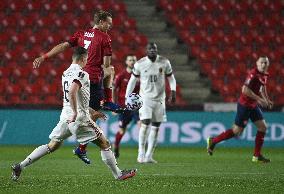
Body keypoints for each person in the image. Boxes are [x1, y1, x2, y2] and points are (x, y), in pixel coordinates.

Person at [11, 47, 137, 181]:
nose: (87, 61)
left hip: (65, 116)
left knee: (52, 145)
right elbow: (72, 91)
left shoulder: (65, 73)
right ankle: (118, 174)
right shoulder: (82, 74)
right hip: (79, 118)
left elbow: (76, 97)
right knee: (104, 143)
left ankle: (20, 165)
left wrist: (91, 111)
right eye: (87, 59)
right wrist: (77, 113)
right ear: (83, 58)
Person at [33, 10, 122, 164]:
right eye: (108, 23)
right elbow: (106, 64)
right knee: (111, 70)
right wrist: (103, 74)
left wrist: (44, 56)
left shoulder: (81, 34)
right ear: (100, 22)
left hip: (78, 77)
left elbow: (63, 46)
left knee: (57, 141)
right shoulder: (105, 37)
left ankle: (81, 148)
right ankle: (108, 100)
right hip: (92, 81)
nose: (110, 26)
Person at [207, 56, 273, 163]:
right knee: (236, 131)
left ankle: (256, 156)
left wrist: (267, 100)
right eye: (262, 62)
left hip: (253, 105)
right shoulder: (253, 74)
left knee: (263, 127)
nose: (264, 64)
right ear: (257, 63)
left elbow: (262, 88)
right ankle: (213, 141)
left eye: (266, 63)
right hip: (245, 105)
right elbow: (244, 90)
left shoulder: (264, 74)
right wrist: (260, 100)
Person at [125, 43, 176, 163]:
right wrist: (127, 97)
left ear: (157, 50)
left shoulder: (164, 62)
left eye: (154, 49)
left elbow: (171, 77)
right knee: (145, 123)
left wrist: (173, 91)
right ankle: (140, 154)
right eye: (150, 49)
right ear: (146, 50)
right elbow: (132, 81)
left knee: (156, 127)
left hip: (160, 99)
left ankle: (149, 155)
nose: (152, 50)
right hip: (145, 99)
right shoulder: (140, 64)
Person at [112, 55, 141, 158]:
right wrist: (114, 106)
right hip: (123, 107)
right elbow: (114, 89)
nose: (132, 62)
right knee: (122, 130)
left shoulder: (140, 75)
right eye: (130, 60)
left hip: (136, 107)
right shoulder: (121, 75)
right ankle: (116, 146)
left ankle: (142, 151)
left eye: (134, 60)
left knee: (141, 125)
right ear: (126, 61)